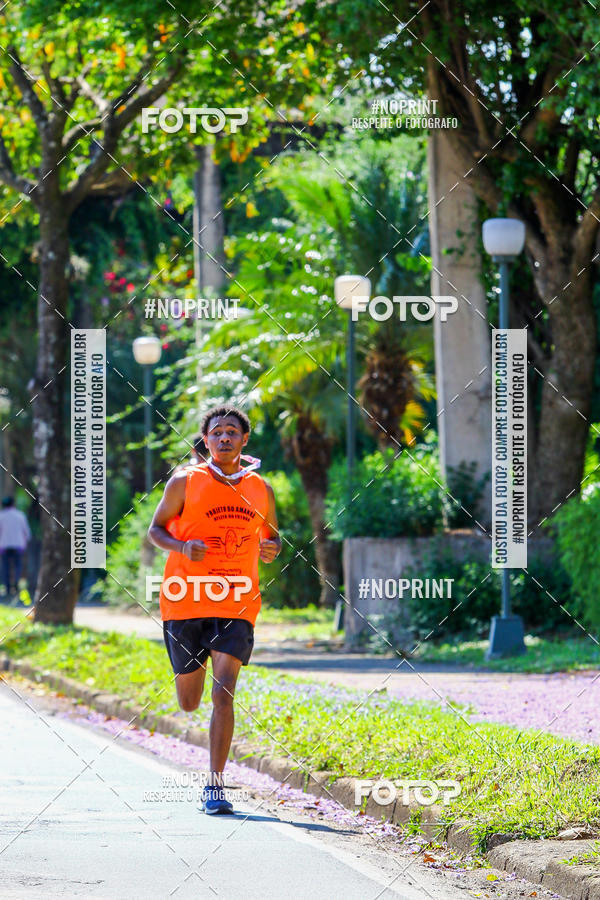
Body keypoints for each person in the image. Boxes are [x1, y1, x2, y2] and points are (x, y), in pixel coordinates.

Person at [148, 405, 281, 815]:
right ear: (206, 441)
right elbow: (155, 530)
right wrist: (181, 546)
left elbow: (273, 538)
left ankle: (215, 786)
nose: (224, 437)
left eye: (232, 432)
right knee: (189, 701)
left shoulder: (260, 488)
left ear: (244, 440)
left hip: (237, 600)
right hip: (185, 599)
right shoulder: (184, 481)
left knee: (224, 691)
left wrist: (272, 548)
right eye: (217, 432)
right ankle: (189, 686)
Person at [0, 497, 31, 599]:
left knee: (5, 567)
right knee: (18, 566)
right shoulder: (20, 515)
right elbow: (27, 532)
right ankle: (16, 585)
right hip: (18, 545)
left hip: (4, 546)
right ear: (13, 504)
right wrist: (25, 543)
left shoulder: (1, 516)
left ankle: (7, 588)